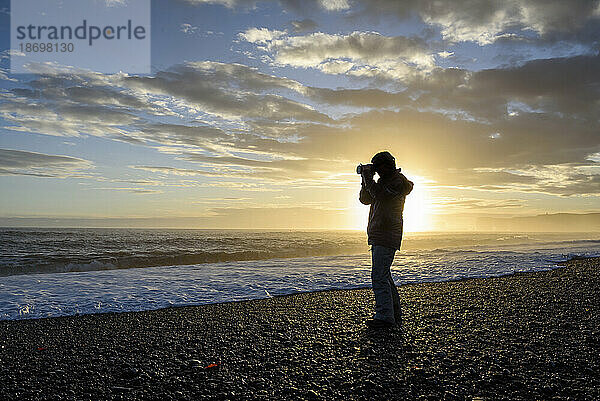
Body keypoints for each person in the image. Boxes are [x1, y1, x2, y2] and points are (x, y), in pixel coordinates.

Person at [359, 151, 413, 329]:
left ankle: (384, 316)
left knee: (379, 276)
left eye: (377, 166)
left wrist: (368, 177)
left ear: (385, 165)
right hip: (380, 234)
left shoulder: (397, 182)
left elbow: (379, 195)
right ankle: (394, 314)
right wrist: (365, 180)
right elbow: (365, 199)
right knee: (385, 276)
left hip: (387, 233)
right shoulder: (383, 182)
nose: (376, 170)